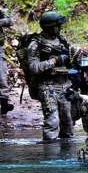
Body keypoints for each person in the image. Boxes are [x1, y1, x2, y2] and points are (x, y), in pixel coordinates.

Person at [27, 11, 74, 142]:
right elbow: (34, 68)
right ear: (50, 27)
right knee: (52, 121)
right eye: (57, 26)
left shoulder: (62, 40)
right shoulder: (36, 44)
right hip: (47, 86)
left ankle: (67, 156)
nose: (60, 28)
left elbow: (70, 61)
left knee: (68, 122)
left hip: (65, 84)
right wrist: (55, 61)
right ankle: (50, 153)